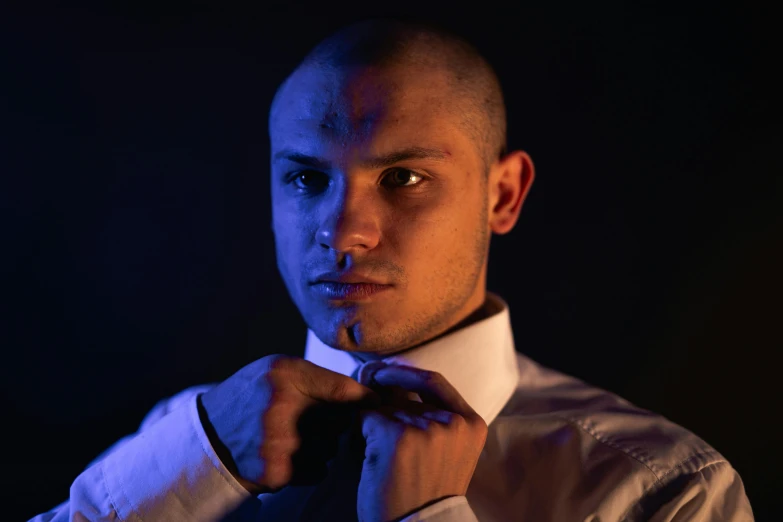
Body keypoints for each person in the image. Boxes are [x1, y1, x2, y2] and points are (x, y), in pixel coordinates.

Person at [32, 18, 754, 522]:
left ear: (502, 195)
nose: (342, 232)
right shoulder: (181, 439)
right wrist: (193, 462)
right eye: (307, 180)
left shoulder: (661, 493)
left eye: (404, 178)